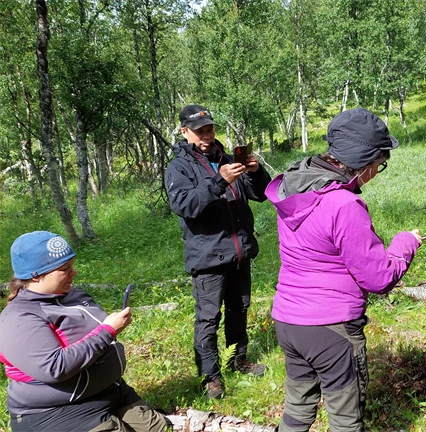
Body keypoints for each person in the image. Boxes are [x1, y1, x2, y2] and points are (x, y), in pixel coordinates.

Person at [266, 108, 422, 432]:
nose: (378, 172)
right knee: (346, 421)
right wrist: (405, 243)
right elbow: (378, 278)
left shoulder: (295, 189)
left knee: (296, 411)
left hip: (289, 321)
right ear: (364, 163)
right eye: (380, 164)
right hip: (330, 330)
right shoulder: (343, 205)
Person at [0, 231, 168, 432]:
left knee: (159, 428)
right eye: (65, 269)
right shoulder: (18, 317)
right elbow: (54, 367)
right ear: (35, 276)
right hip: (56, 412)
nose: (74, 272)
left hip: (109, 391)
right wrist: (107, 331)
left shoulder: (74, 295)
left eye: (72, 265)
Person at [165, 104, 272, 399]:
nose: (206, 136)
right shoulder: (179, 168)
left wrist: (255, 171)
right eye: (199, 132)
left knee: (239, 309)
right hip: (207, 256)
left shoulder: (225, 159)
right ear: (185, 132)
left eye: (209, 129)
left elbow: (261, 194)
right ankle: (210, 375)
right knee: (208, 318)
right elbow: (184, 206)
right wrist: (219, 181)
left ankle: (238, 359)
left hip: (239, 252)